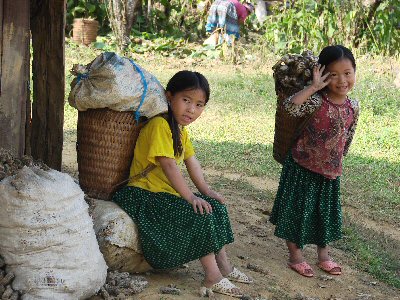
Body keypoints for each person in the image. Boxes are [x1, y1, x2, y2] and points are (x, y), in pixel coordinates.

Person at [112, 70, 253, 298]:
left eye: (199, 104)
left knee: (214, 207)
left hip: (164, 194)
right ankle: (211, 276)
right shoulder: (159, 125)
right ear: (169, 97)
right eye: (186, 101)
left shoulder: (180, 131)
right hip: (144, 195)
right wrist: (190, 197)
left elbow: (191, 160)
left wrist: (206, 191)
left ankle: (224, 266)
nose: (191, 110)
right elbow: (168, 165)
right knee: (197, 213)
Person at [270, 45, 360, 277]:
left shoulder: (353, 106)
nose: (342, 80)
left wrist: (338, 160)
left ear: (355, 72)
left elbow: (348, 135)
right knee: (297, 212)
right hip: (302, 167)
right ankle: (296, 256)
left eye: (347, 73)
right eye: (333, 74)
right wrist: (313, 87)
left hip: (330, 171)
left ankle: (324, 256)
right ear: (322, 74)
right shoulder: (315, 101)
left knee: (324, 215)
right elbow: (289, 107)